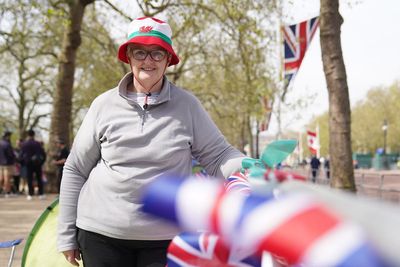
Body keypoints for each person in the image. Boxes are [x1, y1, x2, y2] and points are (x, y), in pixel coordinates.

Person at [57, 17, 246, 267]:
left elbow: (219, 156)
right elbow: (75, 169)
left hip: (166, 239)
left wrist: (250, 167)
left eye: (157, 53)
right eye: (140, 52)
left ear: (168, 59)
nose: (148, 60)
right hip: (100, 236)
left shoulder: (188, 106)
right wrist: (66, 235)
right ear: (129, 58)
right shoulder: (102, 105)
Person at [20, 129, 46, 200]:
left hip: (28, 164)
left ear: (28, 135)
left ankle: (30, 194)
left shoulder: (24, 144)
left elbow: (21, 155)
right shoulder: (37, 143)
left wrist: (23, 163)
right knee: (39, 178)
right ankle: (41, 194)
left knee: (29, 179)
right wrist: (42, 162)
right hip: (37, 163)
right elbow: (43, 154)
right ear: (33, 135)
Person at [0, 131, 15, 197]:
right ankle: (7, 192)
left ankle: (1, 190)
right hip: (7, 163)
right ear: (7, 136)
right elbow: (11, 154)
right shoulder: (7, 144)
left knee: (1, 178)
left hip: (0, 163)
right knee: (7, 178)